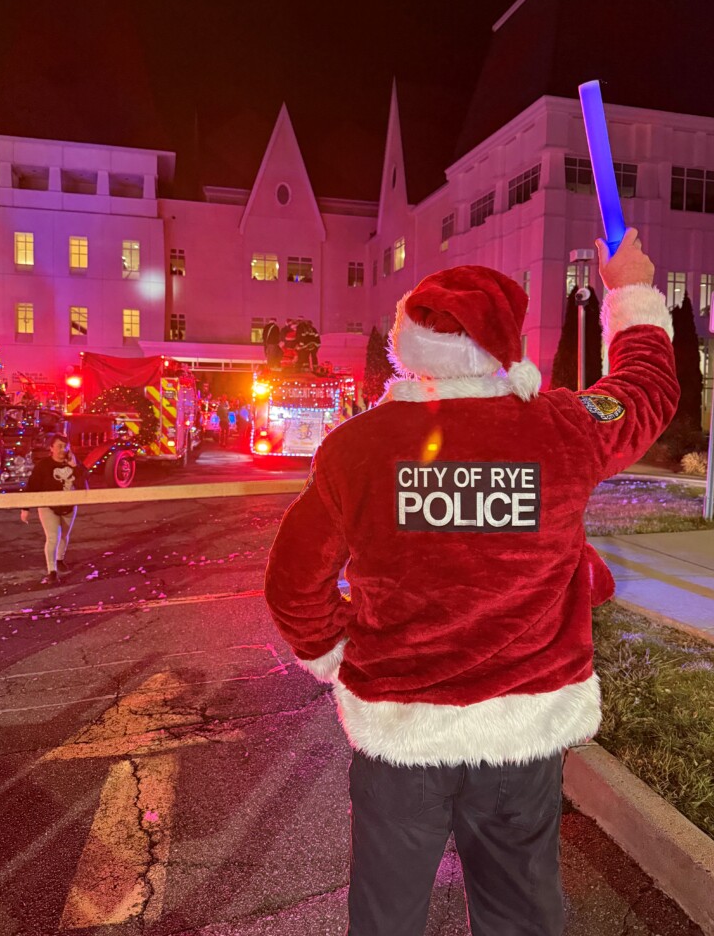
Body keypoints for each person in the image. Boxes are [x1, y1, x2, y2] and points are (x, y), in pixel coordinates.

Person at [264, 228, 679, 936]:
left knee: (386, 917)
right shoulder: (562, 429)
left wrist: (336, 653)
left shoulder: (358, 450)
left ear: (406, 344)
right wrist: (630, 291)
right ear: (504, 346)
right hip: (522, 733)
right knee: (519, 911)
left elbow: (293, 583)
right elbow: (644, 391)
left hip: (400, 736)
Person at [21, 434, 88, 585]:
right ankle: (52, 571)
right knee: (53, 537)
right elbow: (32, 486)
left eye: (65, 447)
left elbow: (83, 481)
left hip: (69, 506)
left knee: (64, 535)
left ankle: (59, 559)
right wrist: (25, 508)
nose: (62, 450)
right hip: (48, 507)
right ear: (51, 448)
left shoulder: (73, 463)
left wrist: (74, 466)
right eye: (59, 446)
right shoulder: (44, 465)